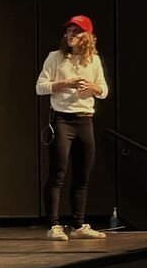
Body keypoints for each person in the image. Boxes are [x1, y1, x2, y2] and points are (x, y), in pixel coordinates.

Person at [35, 15, 109, 240]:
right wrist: (65, 83)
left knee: (82, 175)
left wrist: (93, 87)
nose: (71, 35)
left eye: (76, 32)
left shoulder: (93, 60)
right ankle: (54, 225)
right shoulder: (55, 58)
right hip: (62, 120)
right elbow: (40, 87)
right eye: (68, 31)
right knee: (58, 173)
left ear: (87, 36)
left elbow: (104, 91)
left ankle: (79, 224)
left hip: (85, 120)